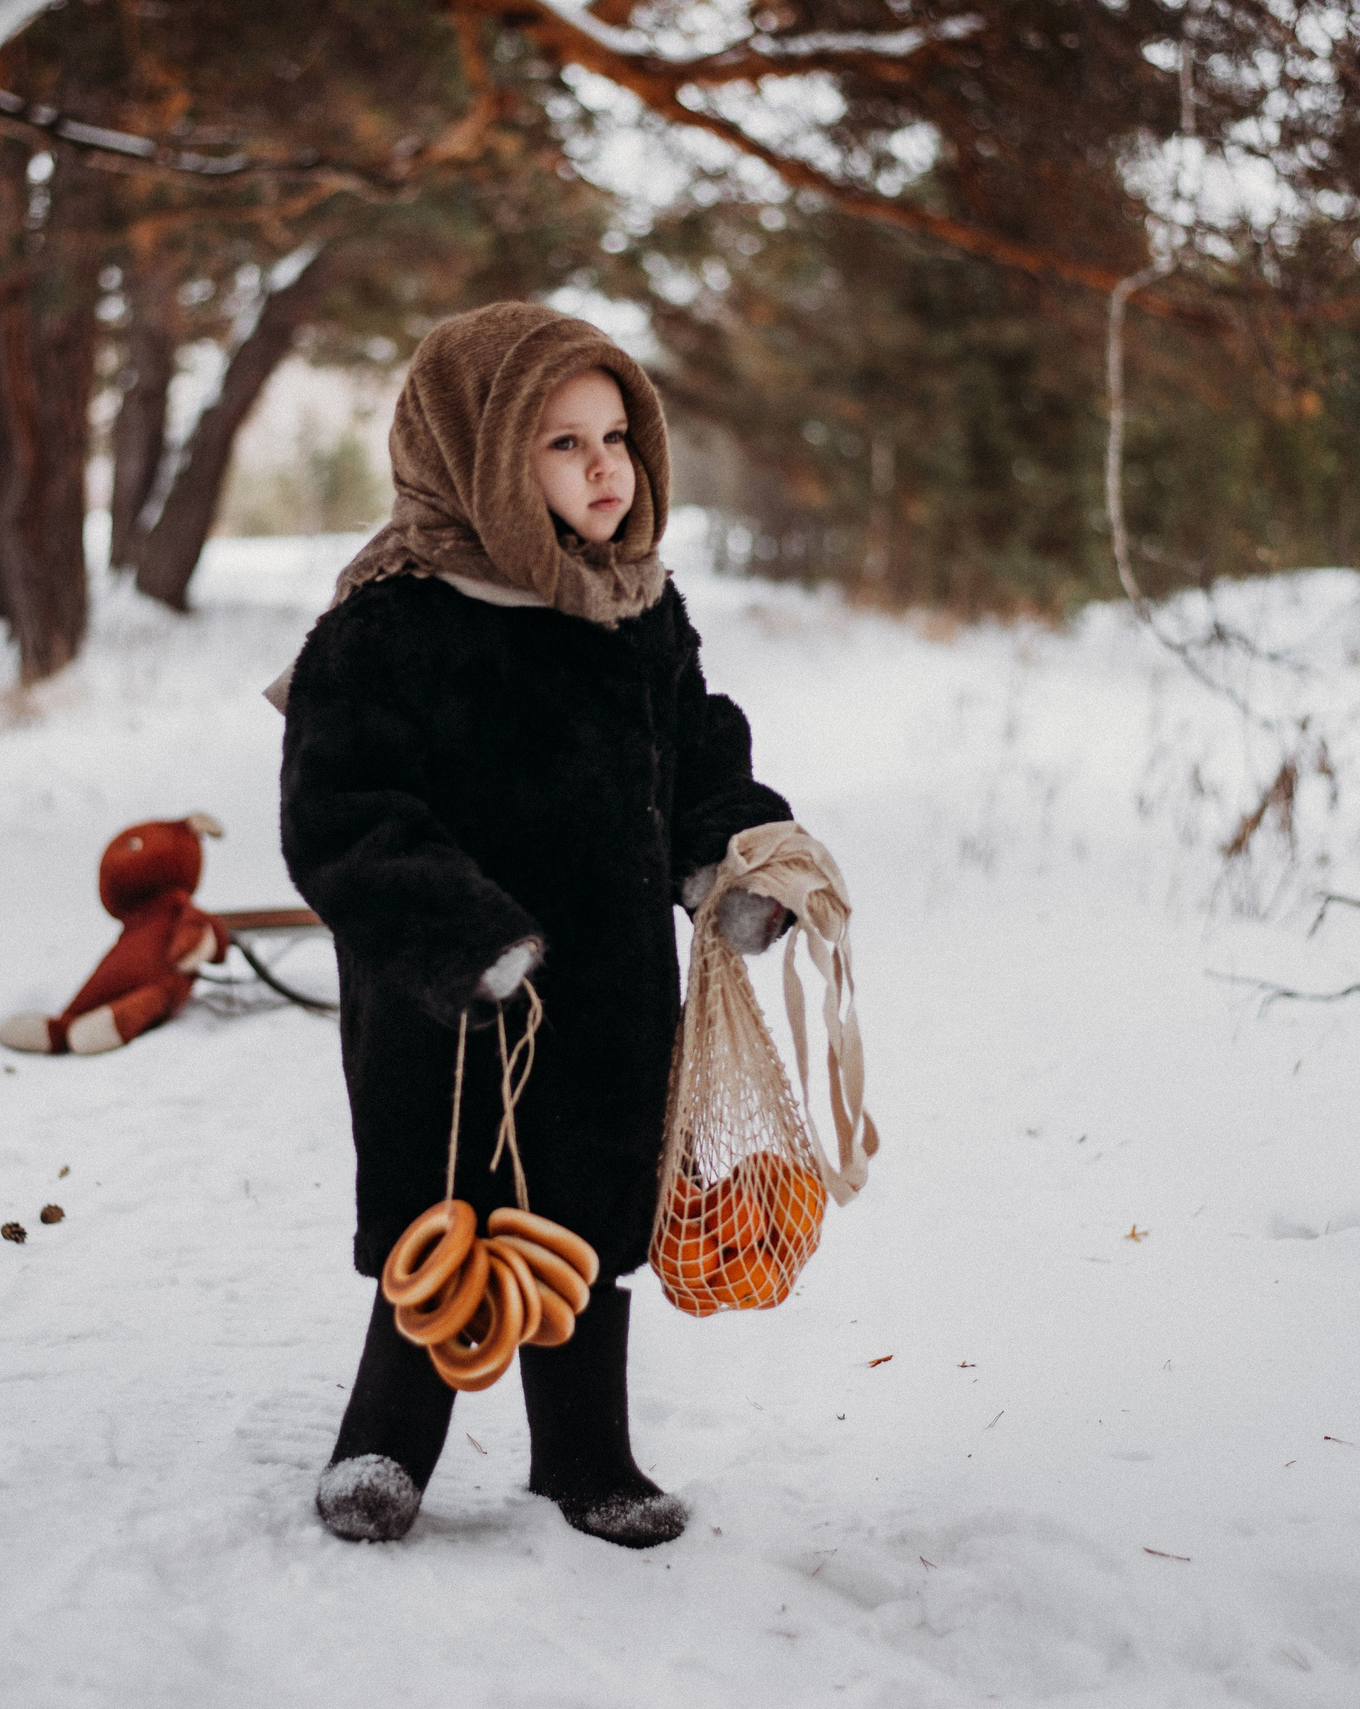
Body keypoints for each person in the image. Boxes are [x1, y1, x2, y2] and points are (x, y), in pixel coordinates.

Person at [276, 301, 794, 1548]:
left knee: (586, 1210)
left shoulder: (636, 608)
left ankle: (586, 1454)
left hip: (611, 984)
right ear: (473, 447)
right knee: (442, 1209)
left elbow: (694, 748)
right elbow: (341, 811)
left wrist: (731, 857)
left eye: (616, 436)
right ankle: (385, 1441)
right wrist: (459, 935)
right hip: (449, 997)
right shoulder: (391, 624)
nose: (606, 467)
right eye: (561, 442)